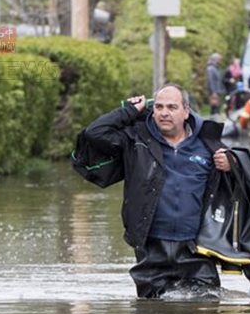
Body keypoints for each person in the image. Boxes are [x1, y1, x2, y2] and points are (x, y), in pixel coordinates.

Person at [81, 83, 232, 298]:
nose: (164, 113)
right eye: (159, 107)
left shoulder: (208, 146)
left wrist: (231, 165)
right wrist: (130, 111)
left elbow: (241, 186)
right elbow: (94, 133)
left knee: (204, 311)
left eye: (171, 107)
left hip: (196, 250)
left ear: (186, 111)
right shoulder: (135, 140)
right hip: (151, 249)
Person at [206, 52, 225, 117]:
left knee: (216, 108)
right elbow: (210, 81)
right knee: (214, 108)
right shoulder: (211, 68)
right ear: (215, 59)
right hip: (214, 92)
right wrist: (213, 92)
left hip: (217, 91)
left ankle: (214, 121)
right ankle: (214, 122)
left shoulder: (215, 68)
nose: (219, 61)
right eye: (218, 59)